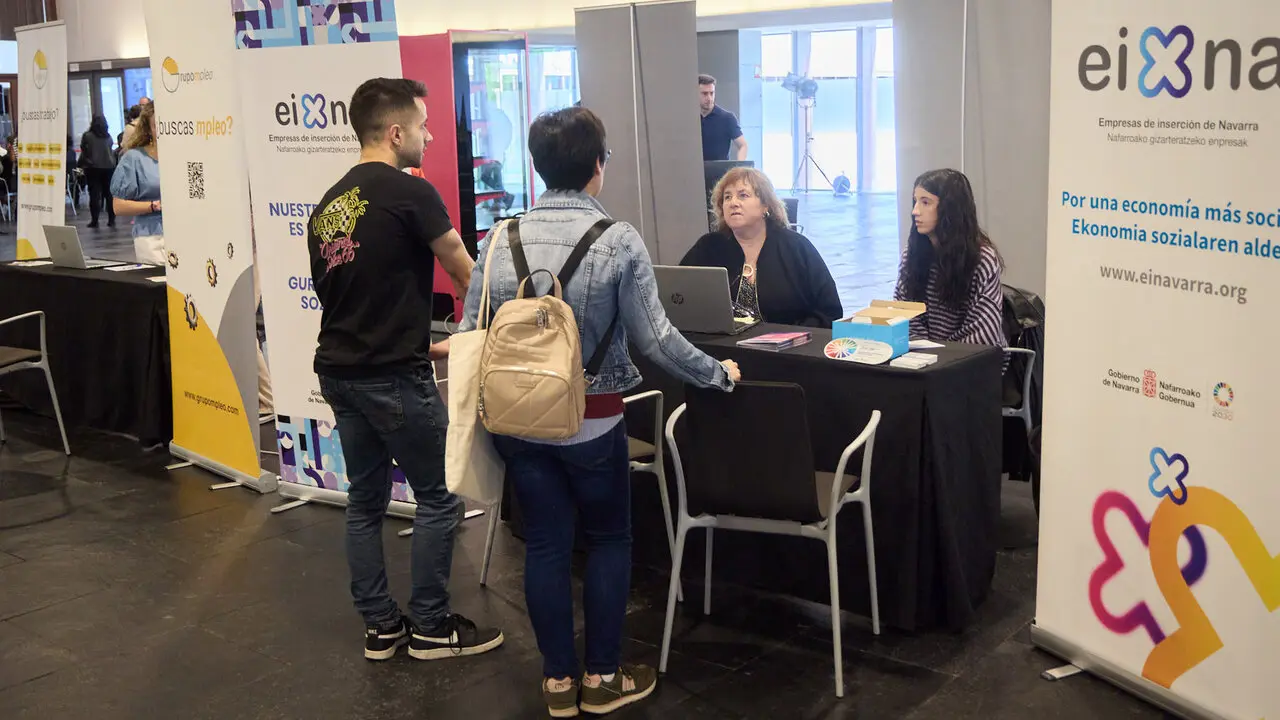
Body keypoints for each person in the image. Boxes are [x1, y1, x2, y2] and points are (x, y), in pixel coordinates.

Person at [459, 106, 741, 717]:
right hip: (593, 418)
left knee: (545, 545)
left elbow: (469, 332)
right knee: (610, 539)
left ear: (538, 165)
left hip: (516, 421)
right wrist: (717, 373)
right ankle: (604, 677)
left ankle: (558, 683)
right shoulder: (617, 240)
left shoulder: (499, 238)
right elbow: (656, 340)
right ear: (596, 164)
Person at [307, 78, 502, 663]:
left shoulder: (328, 205)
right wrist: (485, 332)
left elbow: (341, 293)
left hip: (339, 372)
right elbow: (466, 274)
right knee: (440, 497)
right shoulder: (411, 193)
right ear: (395, 133)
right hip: (392, 375)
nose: (430, 136)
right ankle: (433, 627)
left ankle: (381, 627)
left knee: (365, 501)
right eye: (422, 125)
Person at [681, 166, 842, 327]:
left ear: (765, 205)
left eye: (743, 195)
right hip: (720, 341)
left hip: (790, 340)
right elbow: (679, 297)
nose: (733, 203)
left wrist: (794, 335)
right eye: (727, 197)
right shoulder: (708, 246)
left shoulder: (797, 247)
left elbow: (830, 311)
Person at [893, 168, 1005, 347]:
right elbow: (904, 316)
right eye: (915, 201)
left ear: (950, 209)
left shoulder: (982, 259)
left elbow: (985, 333)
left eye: (925, 202)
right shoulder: (911, 255)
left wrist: (943, 355)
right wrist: (926, 352)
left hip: (974, 358)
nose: (915, 211)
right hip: (927, 357)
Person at [111, 102, 164, 264]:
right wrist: (152, 206)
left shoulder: (184, 156)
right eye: (157, 126)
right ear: (148, 129)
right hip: (152, 237)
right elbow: (118, 207)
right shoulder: (133, 158)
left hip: (185, 233)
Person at [79, 115, 117, 229]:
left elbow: (84, 150)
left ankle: (94, 220)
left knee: (94, 195)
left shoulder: (87, 136)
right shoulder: (108, 136)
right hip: (109, 167)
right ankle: (111, 220)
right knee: (109, 194)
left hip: (93, 167)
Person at [699, 74, 747, 162]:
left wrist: (739, 167)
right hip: (692, 169)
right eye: (705, 94)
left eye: (712, 93)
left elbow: (743, 145)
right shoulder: (688, 120)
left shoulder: (727, 118)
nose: (709, 98)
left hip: (720, 170)